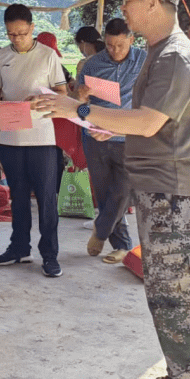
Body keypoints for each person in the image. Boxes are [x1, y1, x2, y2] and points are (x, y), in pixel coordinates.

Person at [32, 0, 190, 379]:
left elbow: (150, 122)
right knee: (166, 290)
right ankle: (183, 376)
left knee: (180, 292)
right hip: (161, 187)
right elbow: (146, 122)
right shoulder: (160, 50)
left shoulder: (174, 55)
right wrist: (105, 126)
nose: (123, 7)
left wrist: (76, 110)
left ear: (153, 2)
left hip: (173, 192)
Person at [0, 4, 69, 278]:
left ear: (32, 29)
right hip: (10, 136)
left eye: (22, 33)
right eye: (11, 34)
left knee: (46, 200)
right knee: (17, 197)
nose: (17, 39)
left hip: (42, 137)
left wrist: (40, 99)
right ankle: (19, 247)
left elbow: (62, 93)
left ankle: (50, 255)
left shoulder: (48, 56)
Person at [74, 17, 146, 264]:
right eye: (110, 45)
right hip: (95, 136)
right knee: (105, 193)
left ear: (132, 40)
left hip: (129, 136)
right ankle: (122, 246)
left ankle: (101, 230)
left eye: (120, 46)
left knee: (123, 190)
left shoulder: (145, 62)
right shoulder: (92, 65)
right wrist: (81, 97)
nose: (114, 51)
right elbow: (79, 108)